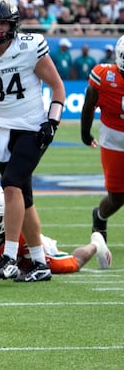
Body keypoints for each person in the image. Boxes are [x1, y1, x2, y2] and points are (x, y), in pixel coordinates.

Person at [0, 0, 66, 282]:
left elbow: (58, 87)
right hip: (3, 130)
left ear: (13, 25)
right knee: (25, 198)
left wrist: (52, 122)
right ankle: (39, 263)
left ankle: (9, 257)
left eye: (2, 22)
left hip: (33, 126)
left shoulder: (29, 46)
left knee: (10, 185)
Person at [0, 186, 112, 279]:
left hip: (38, 250)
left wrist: (11, 271)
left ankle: (96, 244)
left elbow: (29, 267)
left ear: (8, 216)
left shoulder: (22, 233)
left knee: (72, 264)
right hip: (16, 256)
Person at [80, 35, 124, 246]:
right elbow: (89, 105)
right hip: (114, 141)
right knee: (116, 198)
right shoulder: (104, 76)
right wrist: (85, 133)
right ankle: (100, 216)